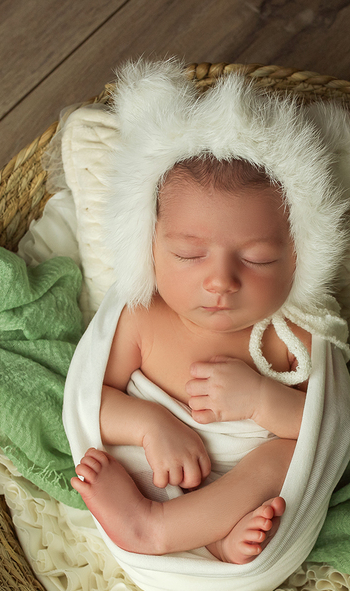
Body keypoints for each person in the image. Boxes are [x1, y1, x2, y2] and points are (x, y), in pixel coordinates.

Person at [71, 155, 309, 564]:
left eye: (258, 259)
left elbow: (323, 428)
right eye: (188, 254)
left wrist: (260, 400)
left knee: (289, 458)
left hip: (242, 488)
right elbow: (93, 403)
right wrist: (150, 425)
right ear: (150, 248)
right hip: (152, 475)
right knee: (107, 459)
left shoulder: (291, 334)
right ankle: (178, 527)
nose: (221, 281)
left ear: (298, 256)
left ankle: (170, 531)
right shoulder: (142, 316)